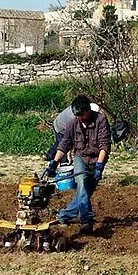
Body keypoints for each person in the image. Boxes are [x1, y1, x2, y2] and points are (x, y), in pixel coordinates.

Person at [44, 95, 111, 234]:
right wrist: (54, 163)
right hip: (81, 157)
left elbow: (104, 145)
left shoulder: (101, 120)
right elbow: (64, 145)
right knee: (81, 183)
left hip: (97, 159)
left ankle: (64, 215)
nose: (79, 118)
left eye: (82, 115)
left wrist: (99, 166)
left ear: (88, 110)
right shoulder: (72, 124)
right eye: (77, 115)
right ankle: (86, 221)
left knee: (86, 192)